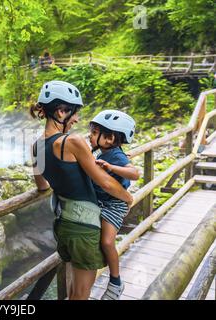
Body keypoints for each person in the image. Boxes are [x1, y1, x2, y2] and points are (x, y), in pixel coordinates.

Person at [30, 81, 133, 300]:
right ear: (61, 112)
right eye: (74, 114)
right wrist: (128, 197)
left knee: (73, 292)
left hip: (64, 227)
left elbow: (42, 186)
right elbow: (104, 182)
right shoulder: (72, 142)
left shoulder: (36, 146)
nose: (77, 120)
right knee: (81, 294)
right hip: (85, 227)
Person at [88, 110, 140, 300]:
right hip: (100, 201)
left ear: (109, 138)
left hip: (114, 204)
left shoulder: (116, 155)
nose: (90, 136)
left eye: (94, 133)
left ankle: (116, 281)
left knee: (107, 242)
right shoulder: (99, 150)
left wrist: (111, 168)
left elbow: (135, 173)